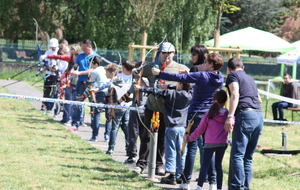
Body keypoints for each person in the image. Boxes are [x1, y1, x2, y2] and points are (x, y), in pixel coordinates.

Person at [152, 52, 224, 189]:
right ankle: (213, 184)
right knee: (208, 148)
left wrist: (159, 73)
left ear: (211, 64)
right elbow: (192, 79)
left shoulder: (202, 75)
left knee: (191, 148)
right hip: (210, 115)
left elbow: (180, 77)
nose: (203, 64)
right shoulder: (220, 77)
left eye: (206, 62)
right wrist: (190, 74)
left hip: (195, 115)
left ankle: (185, 182)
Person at [133, 42, 189, 177]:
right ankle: (141, 164)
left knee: (163, 139)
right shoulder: (152, 67)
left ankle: (159, 165)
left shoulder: (180, 68)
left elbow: (189, 82)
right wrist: (138, 83)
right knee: (146, 136)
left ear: (174, 53)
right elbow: (136, 73)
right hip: (152, 107)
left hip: (169, 110)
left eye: (169, 53)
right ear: (159, 53)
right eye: (164, 52)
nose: (166, 55)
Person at [136, 82, 193, 185]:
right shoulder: (190, 95)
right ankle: (181, 174)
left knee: (170, 152)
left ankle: (172, 175)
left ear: (181, 85)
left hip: (171, 127)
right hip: (182, 128)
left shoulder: (171, 94)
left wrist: (140, 88)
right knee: (181, 152)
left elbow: (155, 91)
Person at [224, 57, 263, 190]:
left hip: (245, 115)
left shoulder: (233, 75)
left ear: (229, 69)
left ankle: (236, 187)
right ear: (243, 67)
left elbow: (235, 94)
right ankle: (245, 187)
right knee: (248, 157)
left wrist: (230, 116)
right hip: (258, 116)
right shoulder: (250, 78)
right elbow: (259, 99)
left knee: (237, 155)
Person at [186, 89, 229, 190]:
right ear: (225, 101)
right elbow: (232, 125)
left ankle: (199, 187)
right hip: (222, 144)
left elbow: (199, 130)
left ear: (214, 99)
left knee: (204, 166)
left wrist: (189, 138)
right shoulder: (228, 115)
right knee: (219, 166)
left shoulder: (209, 114)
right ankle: (219, 188)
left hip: (209, 143)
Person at [189, 45, 216, 185]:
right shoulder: (215, 75)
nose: (192, 56)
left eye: (194, 54)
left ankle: (186, 179)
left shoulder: (196, 70)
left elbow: (187, 87)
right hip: (210, 112)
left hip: (196, 111)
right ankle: (210, 177)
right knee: (207, 146)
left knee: (192, 145)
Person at [119, 61, 149, 164]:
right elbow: (129, 94)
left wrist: (141, 87)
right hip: (139, 110)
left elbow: (128, 93)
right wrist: (117, 102)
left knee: (139, 135)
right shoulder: (139, 81)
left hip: (142, 111)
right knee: (137, 135)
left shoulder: (144, 81)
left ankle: (138, 157)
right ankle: (137, 156)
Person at [68, 39, 100, 131]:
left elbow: (93, 70)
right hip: (81, 83)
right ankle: (75, 124)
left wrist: (79, 73)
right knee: (78, 103)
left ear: (90, 47)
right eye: (82, 48)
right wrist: (73, 70)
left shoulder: (96, 57)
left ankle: (95, 126)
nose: (83, 50)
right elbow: (75, 65)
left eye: (85, 48)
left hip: (92, 84)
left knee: (93, 104)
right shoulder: (80, 55)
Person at [103, 63, 130, 155]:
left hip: (116, 108)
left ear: (112, 73)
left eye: (107, 72)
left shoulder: (111, 83)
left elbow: (110, 96)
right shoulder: (122, 81)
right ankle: (129, 149)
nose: (105, 74)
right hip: (126, 107)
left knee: (114, 128)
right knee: (126, 128)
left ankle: (111, 148)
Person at [40, 38, 59, 112]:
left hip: (56, 75)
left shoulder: (59, 52)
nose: (53, 48)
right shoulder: (48, 52)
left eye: (54, 46)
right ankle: (44, 105)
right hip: (48, 74)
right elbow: (45, 62)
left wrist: (55, 67)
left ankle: (50, 107)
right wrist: (44, 68)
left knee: (54, 92)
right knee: (46, 90)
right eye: (52, 46)